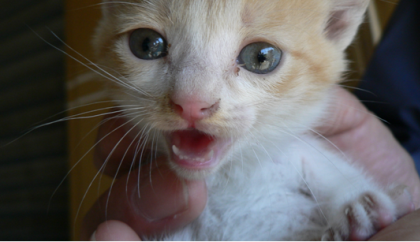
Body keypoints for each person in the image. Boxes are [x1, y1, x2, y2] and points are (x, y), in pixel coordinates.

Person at [80, 86, 420, 242]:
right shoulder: (160, 163)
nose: (194, 100)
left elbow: (350, 192)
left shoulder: (293, 145)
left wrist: (364, 211)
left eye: (259, 58)